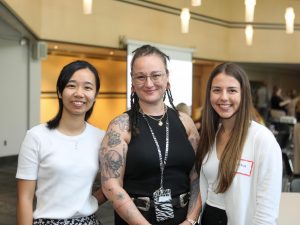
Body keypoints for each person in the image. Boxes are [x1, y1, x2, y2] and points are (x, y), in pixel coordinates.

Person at [100, 45, 201, 225]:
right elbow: (111, 186)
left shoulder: (185, 122)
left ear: (167, 78)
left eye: (156, 75)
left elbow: (198, 177)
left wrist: (191, 220)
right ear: (132, 82)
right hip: (137, 220)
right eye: (141, 76)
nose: (149, 83)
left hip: (183, 218)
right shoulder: (120, 126)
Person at [16, 60, 106, 225]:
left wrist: (89, 202)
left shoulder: (101, 138)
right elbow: (25, 199)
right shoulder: (36, 136)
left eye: (87, 87)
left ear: (95, 95)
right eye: (71, 86)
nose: (79, 93)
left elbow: (113, 183)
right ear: (59, 91)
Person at [195, 63, 282, 225]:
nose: (224, 97)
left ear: (244, 94)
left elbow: (267, 212)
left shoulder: (262, 139)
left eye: (232, 90)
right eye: (217, 90)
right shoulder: (210, 135)